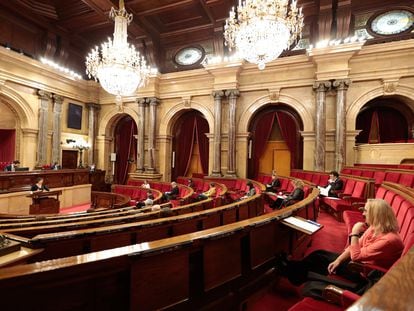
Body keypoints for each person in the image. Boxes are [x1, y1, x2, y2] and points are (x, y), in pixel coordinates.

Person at [276, 199, 404, 299]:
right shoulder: (375, 227)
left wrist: (354, 232)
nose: (363, 214)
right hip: (361, 263)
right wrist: (338, 260)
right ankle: (292, 269)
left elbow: (356, 256)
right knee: (319, 255)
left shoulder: (389, 240)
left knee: (321, 262)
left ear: (376, 215)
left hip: (367, 273)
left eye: (366, 211)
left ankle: (290, 271)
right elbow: (356, 246)